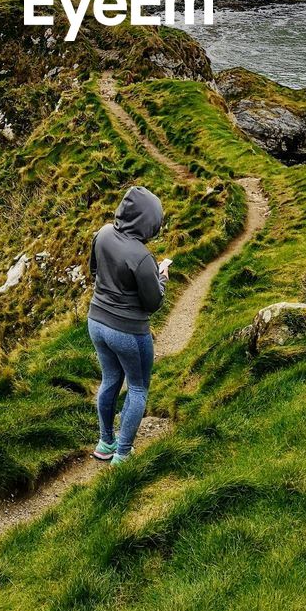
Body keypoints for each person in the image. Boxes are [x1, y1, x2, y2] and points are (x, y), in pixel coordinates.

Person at [87, 185, 170, 464]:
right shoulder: (142, 256)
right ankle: (123, 455)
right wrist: (162, 277)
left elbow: (95, 271)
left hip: (96, 321)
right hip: (128, 331)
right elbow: (152, 303)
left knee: (110, 379)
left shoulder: (103, 233)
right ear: (147, 221)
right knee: (137, 388)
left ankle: (105, 443)